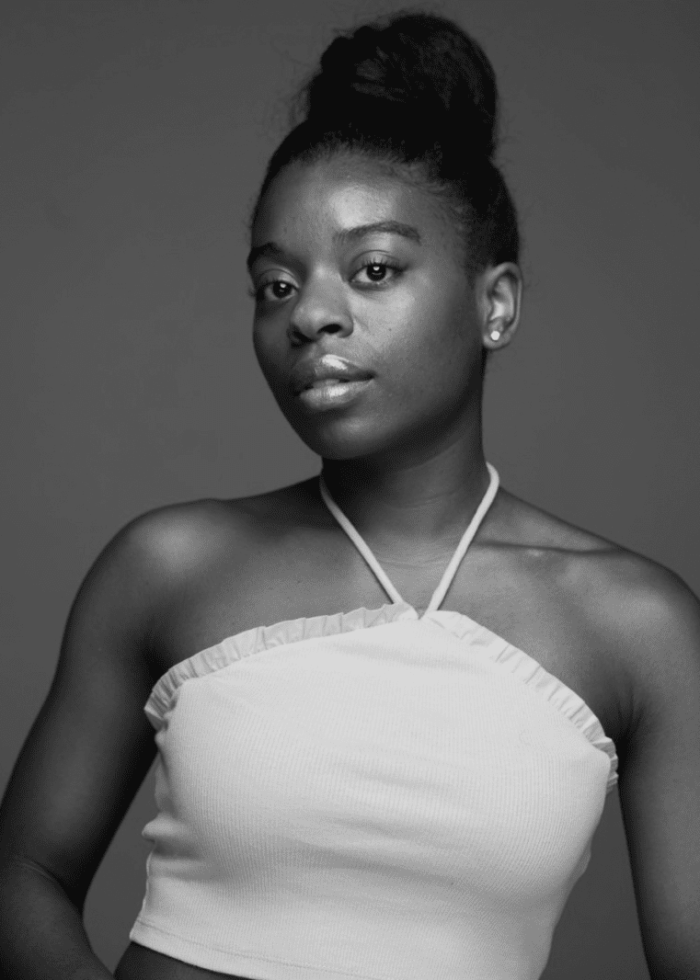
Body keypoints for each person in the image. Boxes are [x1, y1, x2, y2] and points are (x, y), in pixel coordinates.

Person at [1, 9, 699, 980]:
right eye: (275, 285)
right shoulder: (168, 567)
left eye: (372, 269)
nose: (312, 315)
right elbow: (21, 873)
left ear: (493, 301)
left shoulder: (636, 626)